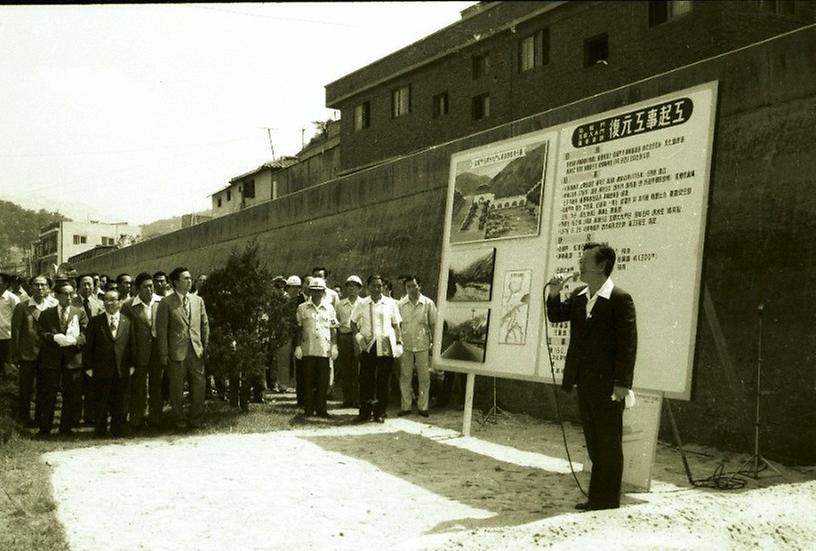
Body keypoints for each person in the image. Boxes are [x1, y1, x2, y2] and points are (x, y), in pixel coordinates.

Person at [546, 242, 637, 511]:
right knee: (595, 443)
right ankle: (598, 497)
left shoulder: (620, 299)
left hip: (609, 386)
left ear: (601, 266)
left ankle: (606, 500)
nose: (580, 264)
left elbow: (628, 345)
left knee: (609, 442)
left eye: (585, 260)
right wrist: (554, 291)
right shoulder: (579, 296)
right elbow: (554, 315)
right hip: (584, 382)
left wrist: (622, 384)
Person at [156, 267, 209, 430]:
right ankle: (180, 420)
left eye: (190, 278)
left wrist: (204, 346)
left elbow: (205, 324)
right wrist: (164, 353)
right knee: (176, 389)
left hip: (196, 351)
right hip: (176, 353)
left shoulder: (197, 300)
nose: (189, 280)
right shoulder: (166, 302)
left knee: (199, 386)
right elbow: (162, 329)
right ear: (175, 282)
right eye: (185, 278)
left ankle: (196, 419)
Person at [36, 282, 89, 436]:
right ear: (57, 296)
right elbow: (40, 333)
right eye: (65, 294)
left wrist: (76, 340)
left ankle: (66, 427)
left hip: (72, 360)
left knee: (71, 395)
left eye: (71, 294)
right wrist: (53, 337)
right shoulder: (47, 314)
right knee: (49, 395)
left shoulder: (79, 312)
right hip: (52, 360)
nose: (69, 297)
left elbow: (86, 334)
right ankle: (45, 427)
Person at [351, 274, 403, 423]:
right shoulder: (362, 304)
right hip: (369, 345)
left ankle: (380, 412)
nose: (376, 289)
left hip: (386, 344)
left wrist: (399, 343)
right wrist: (359, 337)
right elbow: (353, 322)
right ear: (368, 287)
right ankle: (365, 413)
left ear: (383, 287)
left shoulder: (390, 303)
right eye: (373, 285)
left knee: (383, 380)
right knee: (366, 379)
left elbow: (396, 325)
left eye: (379, 286)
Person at [83, 290, 135, 438]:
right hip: (101, 369)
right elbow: (89, 347)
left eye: (113, 300)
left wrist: (132, 364)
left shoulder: (127, 321)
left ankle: (117, 429)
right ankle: (100, 431)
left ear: (119, 302)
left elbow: (132, 344)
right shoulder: (95, 321)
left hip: (121, 368)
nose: (109, 303)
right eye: (106, 300)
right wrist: (88, 367)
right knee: (101, 401)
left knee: (120, 400)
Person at [11, 275, 57, 425]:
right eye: (36, 285)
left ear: (48, 288)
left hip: (47, 354)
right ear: (30, 287)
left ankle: (40, 417)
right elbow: (16, 331)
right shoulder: (22, 307)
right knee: (26, 388)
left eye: (43, 285)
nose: (40, 288)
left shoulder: (52, 306)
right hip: (27, 354)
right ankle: (24, 418)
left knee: (44, 387)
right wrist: (16, 354)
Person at [121, 272, 162, 430]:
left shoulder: (161, 302)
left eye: (151, 286)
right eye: (146, 287)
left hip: (157, 352)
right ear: (137, 289)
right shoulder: (129, 306)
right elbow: (124, 331)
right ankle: (137, 419)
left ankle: (155, 419)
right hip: (139, 353)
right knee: (138, 387)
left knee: (156, 386)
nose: (150, 290)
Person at [294, 277, 338, 418]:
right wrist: (297, 347)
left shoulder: (329, 308)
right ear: (310, 291)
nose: (317, 294)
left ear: (324, 292)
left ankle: (321, 409)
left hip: (324, 349)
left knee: (322, 381)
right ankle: (308, 409)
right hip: (308, 348)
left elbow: (333, 329)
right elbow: (299, 329)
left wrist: (335, 346)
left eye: (320, 291)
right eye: (314, 291)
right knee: (308, 380)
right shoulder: (302, 308)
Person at [397, 276, 437, 418]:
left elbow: (433, 324)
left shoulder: (428, 303)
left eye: (414, 286)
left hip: (423, 345)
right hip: (406, 345)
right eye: (408, 287)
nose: (411, 289)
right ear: (405, 288)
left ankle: (423, 406)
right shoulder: (401, 305)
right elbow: (398, 325)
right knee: (405, 376)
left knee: (424, 377)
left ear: (419, 286)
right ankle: (406, 406)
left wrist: (435, 344)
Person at [75, 273, 105, 426]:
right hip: (76, 350)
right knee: (77, 384)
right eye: (84, 284)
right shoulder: (72, 303)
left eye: (90, 284)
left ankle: (90, 415)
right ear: (78, 286)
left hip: (94, 350)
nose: (87, 287)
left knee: (93, 384)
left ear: (94, 286)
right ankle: (74, 416)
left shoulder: (99, 304)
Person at [335, 275, 363, 408]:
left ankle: (358, 399)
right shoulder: (340, 304)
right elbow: (336, 321)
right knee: (345, 368)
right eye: (349, 286)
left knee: (358, 368)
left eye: (355, 286)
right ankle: (347, 399)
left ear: (359, 289)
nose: (352, 289)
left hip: (358, 336)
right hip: (345, 336)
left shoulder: (363, 303)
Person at [0, 273, 22, 379]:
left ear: (6, 284)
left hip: (8, 337)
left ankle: (11, 387)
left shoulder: (12, 298)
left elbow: (18, 317)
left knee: (9, 364)